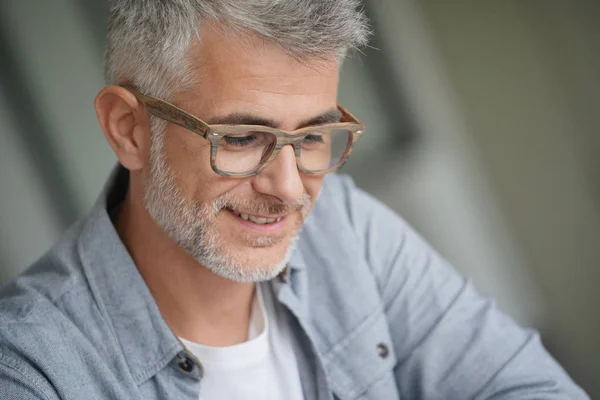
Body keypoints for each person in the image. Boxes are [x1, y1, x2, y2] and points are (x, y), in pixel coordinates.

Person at [0, 1, 589, 399]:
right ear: (129, 129)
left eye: (311, 136)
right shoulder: (31, 368)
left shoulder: (344, 226)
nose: (288, 188)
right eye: (240, 137)